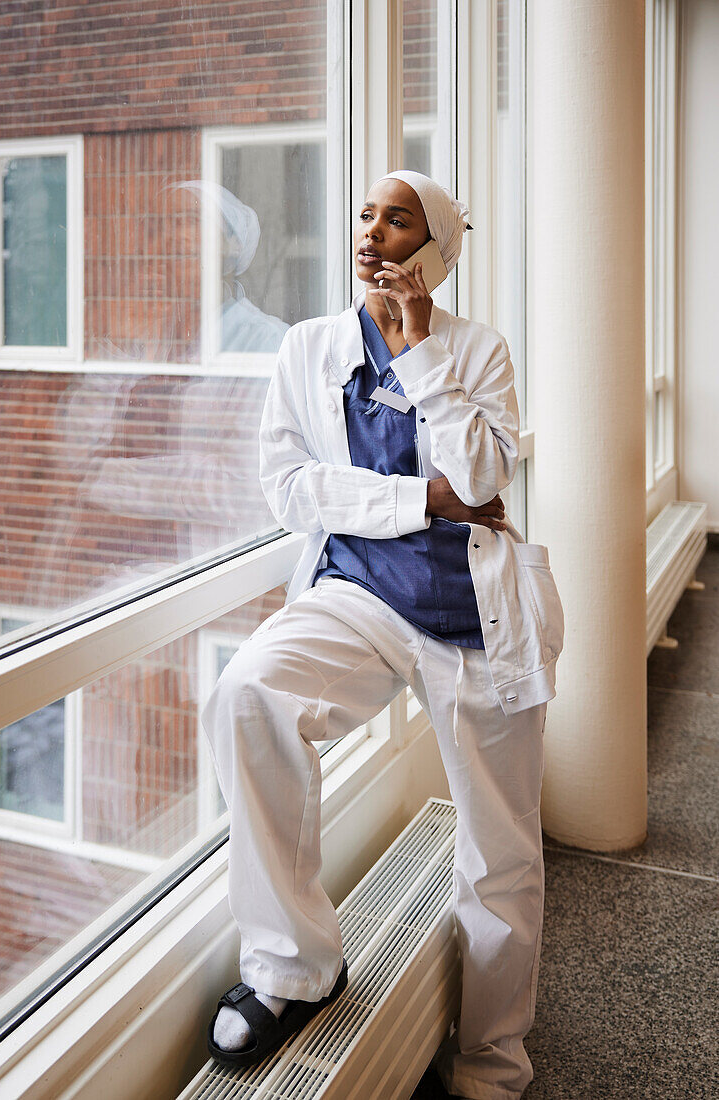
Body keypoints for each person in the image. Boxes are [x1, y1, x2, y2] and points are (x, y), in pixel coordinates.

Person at [200, 169, 565, 1099]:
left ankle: (492, 1063)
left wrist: (418, 354)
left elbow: (483, 477)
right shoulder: (308, 347)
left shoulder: (478, 352)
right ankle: (292, 968)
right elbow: (291, 489)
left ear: (434, 251)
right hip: (358, 597)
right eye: (366, 214)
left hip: (474, 621)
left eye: (398, 220)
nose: (373, 231)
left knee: (503, 853)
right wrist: (419, 500)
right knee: (250, 692)